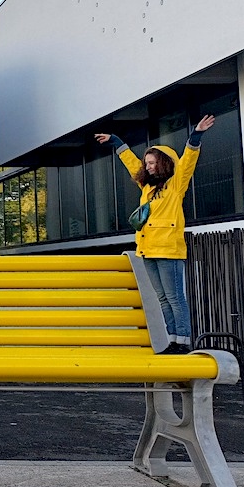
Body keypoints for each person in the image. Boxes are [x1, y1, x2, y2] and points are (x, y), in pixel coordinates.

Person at [95, 114, 215, 354]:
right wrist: (117, 142)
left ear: (164, 162)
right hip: (147, 248)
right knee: (162, 298)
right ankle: (171, 340)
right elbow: (131, 164)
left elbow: (189, 160)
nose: (147, 166)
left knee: (175, 297)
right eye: (147, 162)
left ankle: (183, 341)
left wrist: (196, 135)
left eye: (152, 162)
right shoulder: (147, 186)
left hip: (168, 248)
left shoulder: (176, 184)